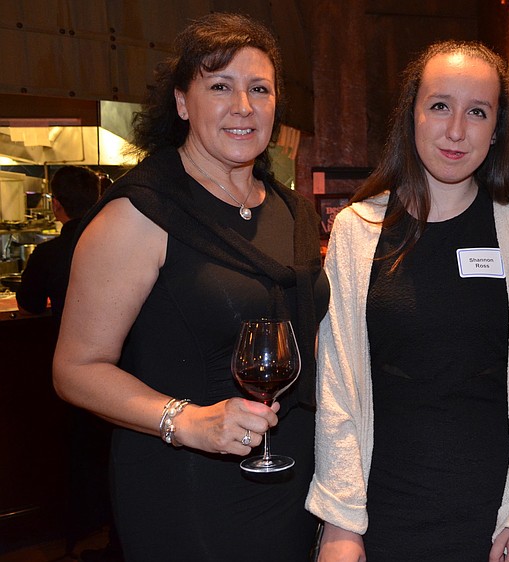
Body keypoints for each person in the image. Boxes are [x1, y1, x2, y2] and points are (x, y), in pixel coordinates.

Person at [52, 12, 329, 562]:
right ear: (182, 103)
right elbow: (75, 369)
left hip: (296, 477)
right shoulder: (140, 213)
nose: (243, 107)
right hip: (187, 486)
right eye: (220, 87)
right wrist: (186, 421)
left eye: (259, 89)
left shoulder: (294, 213)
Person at [306, 40, 509, 562]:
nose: (456, 130)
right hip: (382, 516)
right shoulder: (358, 230)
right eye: (440, 106)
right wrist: (340, 522)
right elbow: (335, 383)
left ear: (495, 130)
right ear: (412, 115)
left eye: (477, 112)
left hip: (498, 521)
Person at [16, 165, 100, 320]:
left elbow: (29, 308)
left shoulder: (47, 254)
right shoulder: (119, 244)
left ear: (56, 204)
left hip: (69, 340)